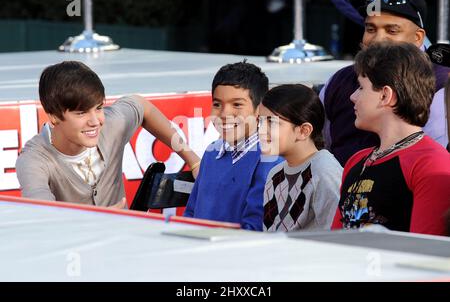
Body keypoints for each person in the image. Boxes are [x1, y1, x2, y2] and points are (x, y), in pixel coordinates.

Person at [16, 61, 200, 208]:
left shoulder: (112, 125)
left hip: (125, 245)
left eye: (99, 108)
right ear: (54, 116)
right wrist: (98, 220)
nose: (95, 121)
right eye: (81, 113)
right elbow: (42, 218)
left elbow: (142, 106)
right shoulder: (33, 161)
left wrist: (193, 160)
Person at [331, 42, 450, 236]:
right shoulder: (356, 160)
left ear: (386, 95)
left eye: (361, 87)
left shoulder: (431, 163)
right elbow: (334, 241)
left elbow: (425, 251)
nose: (353, 97)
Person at [319, 0, 450, 166]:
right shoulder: (339, 81)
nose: (378, 39)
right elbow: (323, 150)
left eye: (392, 30)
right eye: (370, 29)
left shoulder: (441, 83)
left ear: (418, 37)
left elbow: (436, 164)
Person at [183, 61, 282, 230]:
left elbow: (254, 228)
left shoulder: (270, 160)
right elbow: (191, 213)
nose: (224, 114)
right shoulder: (210, 154)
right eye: (217, 104)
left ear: (260, 110)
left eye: (237, 104)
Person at [259, 84, 342, 232]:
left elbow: (337, 233)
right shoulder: (275, 174)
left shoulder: (324, 171)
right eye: (260, 121)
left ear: (304, 131)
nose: (261, 130)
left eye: (271, 122)